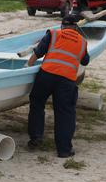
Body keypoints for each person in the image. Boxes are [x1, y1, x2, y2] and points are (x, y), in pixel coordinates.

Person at [26, 14, 90, 158]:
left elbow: (38, 52)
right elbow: (85, 61)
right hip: (66, 81)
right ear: (76, 28)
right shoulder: (83, 42)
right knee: (65, 113)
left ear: (62, 25)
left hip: (46, 75)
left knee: (37, 103)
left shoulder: (54, 34)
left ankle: (36, 138)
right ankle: (64, 150)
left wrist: (28, 66)